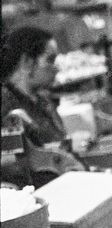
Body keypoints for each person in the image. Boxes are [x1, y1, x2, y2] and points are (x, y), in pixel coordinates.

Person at [1, 25, 85, 187]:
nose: (56, 67)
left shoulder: (44, 100)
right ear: (27, 62)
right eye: (50, 59)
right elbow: (11, 165)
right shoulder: (5, 104)